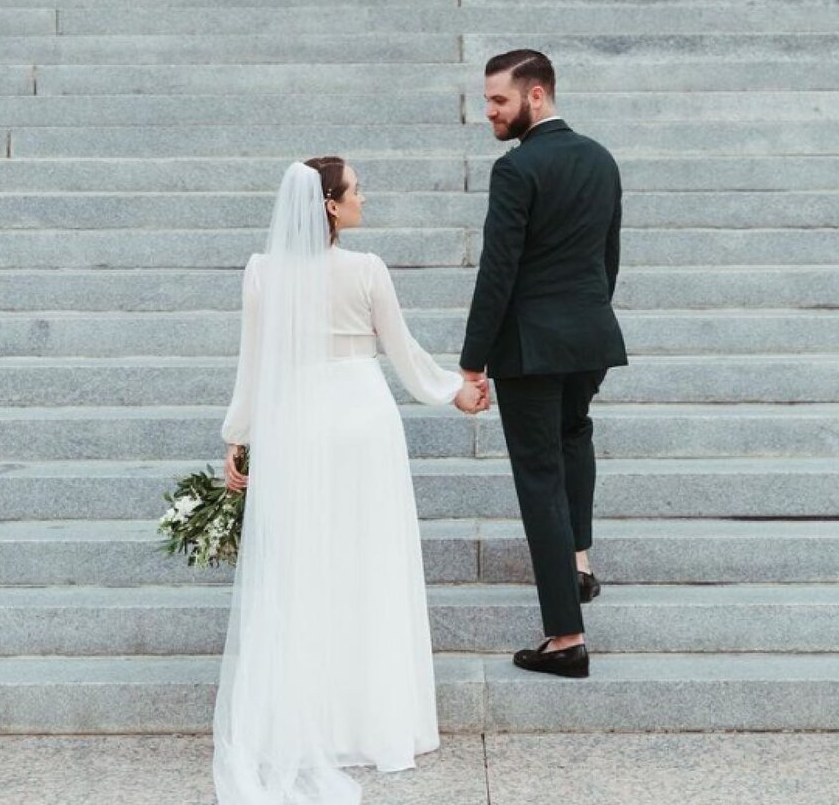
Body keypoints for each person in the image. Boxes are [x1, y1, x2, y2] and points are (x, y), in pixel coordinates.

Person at [212, 156, 487, 804]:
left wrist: (237, 436)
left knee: (303, 569)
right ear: (332, 206)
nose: (366, 197)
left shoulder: (261, 273)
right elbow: (405, 355)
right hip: (364, 423)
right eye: (358, 190)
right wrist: (454, 390)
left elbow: (252, 367)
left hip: (296, 423)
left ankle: (307, 718)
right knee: (370, 565)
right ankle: (379, 721)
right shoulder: (367, 272)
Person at [460, 50, 627, 678]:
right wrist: (589, 320)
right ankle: (578, 565)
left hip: (530, 348)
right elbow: (608, 257)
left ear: (535, 97)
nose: (490, 113)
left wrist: (473, 361)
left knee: (538, 478)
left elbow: (496, 272)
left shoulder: (517, 170)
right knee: (573, 439)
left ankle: (564, 636)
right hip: (589, 336)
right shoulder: (600, 158)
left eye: (498, 101)